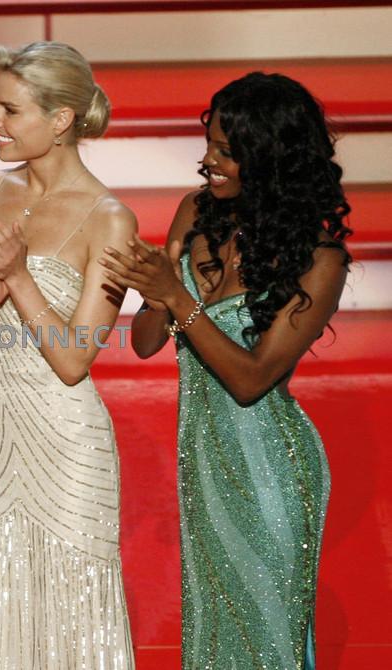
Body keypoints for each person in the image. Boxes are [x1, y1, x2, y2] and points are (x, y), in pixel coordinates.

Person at [101, 71, 350, 668]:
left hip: (273, 470)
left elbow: (250, 378)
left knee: (268, 643)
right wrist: (158, 282)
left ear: (268, 160)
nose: (207, 161)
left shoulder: (320, 260)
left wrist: (178, 297)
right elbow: (143, 341)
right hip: (204, 465)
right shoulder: (196, 213)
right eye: (208, 143)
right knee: (213, 635)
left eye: (226, 152)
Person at [0, 42, 136, 668]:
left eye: (11, 110)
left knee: (72, 616)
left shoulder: (110, 220)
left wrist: (18, 277)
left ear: (62, 118)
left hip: (66, 445)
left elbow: (75, 360)